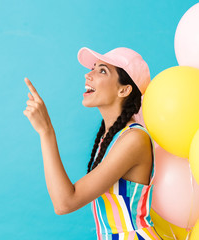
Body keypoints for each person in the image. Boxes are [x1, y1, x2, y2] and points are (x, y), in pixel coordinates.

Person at [23, 47, 162, 239]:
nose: (88, 75)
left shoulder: (134, 139)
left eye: (102, 70)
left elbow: (65, 202)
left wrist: (46, 131)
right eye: (93, 68)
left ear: (124, 89)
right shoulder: (110, 138)